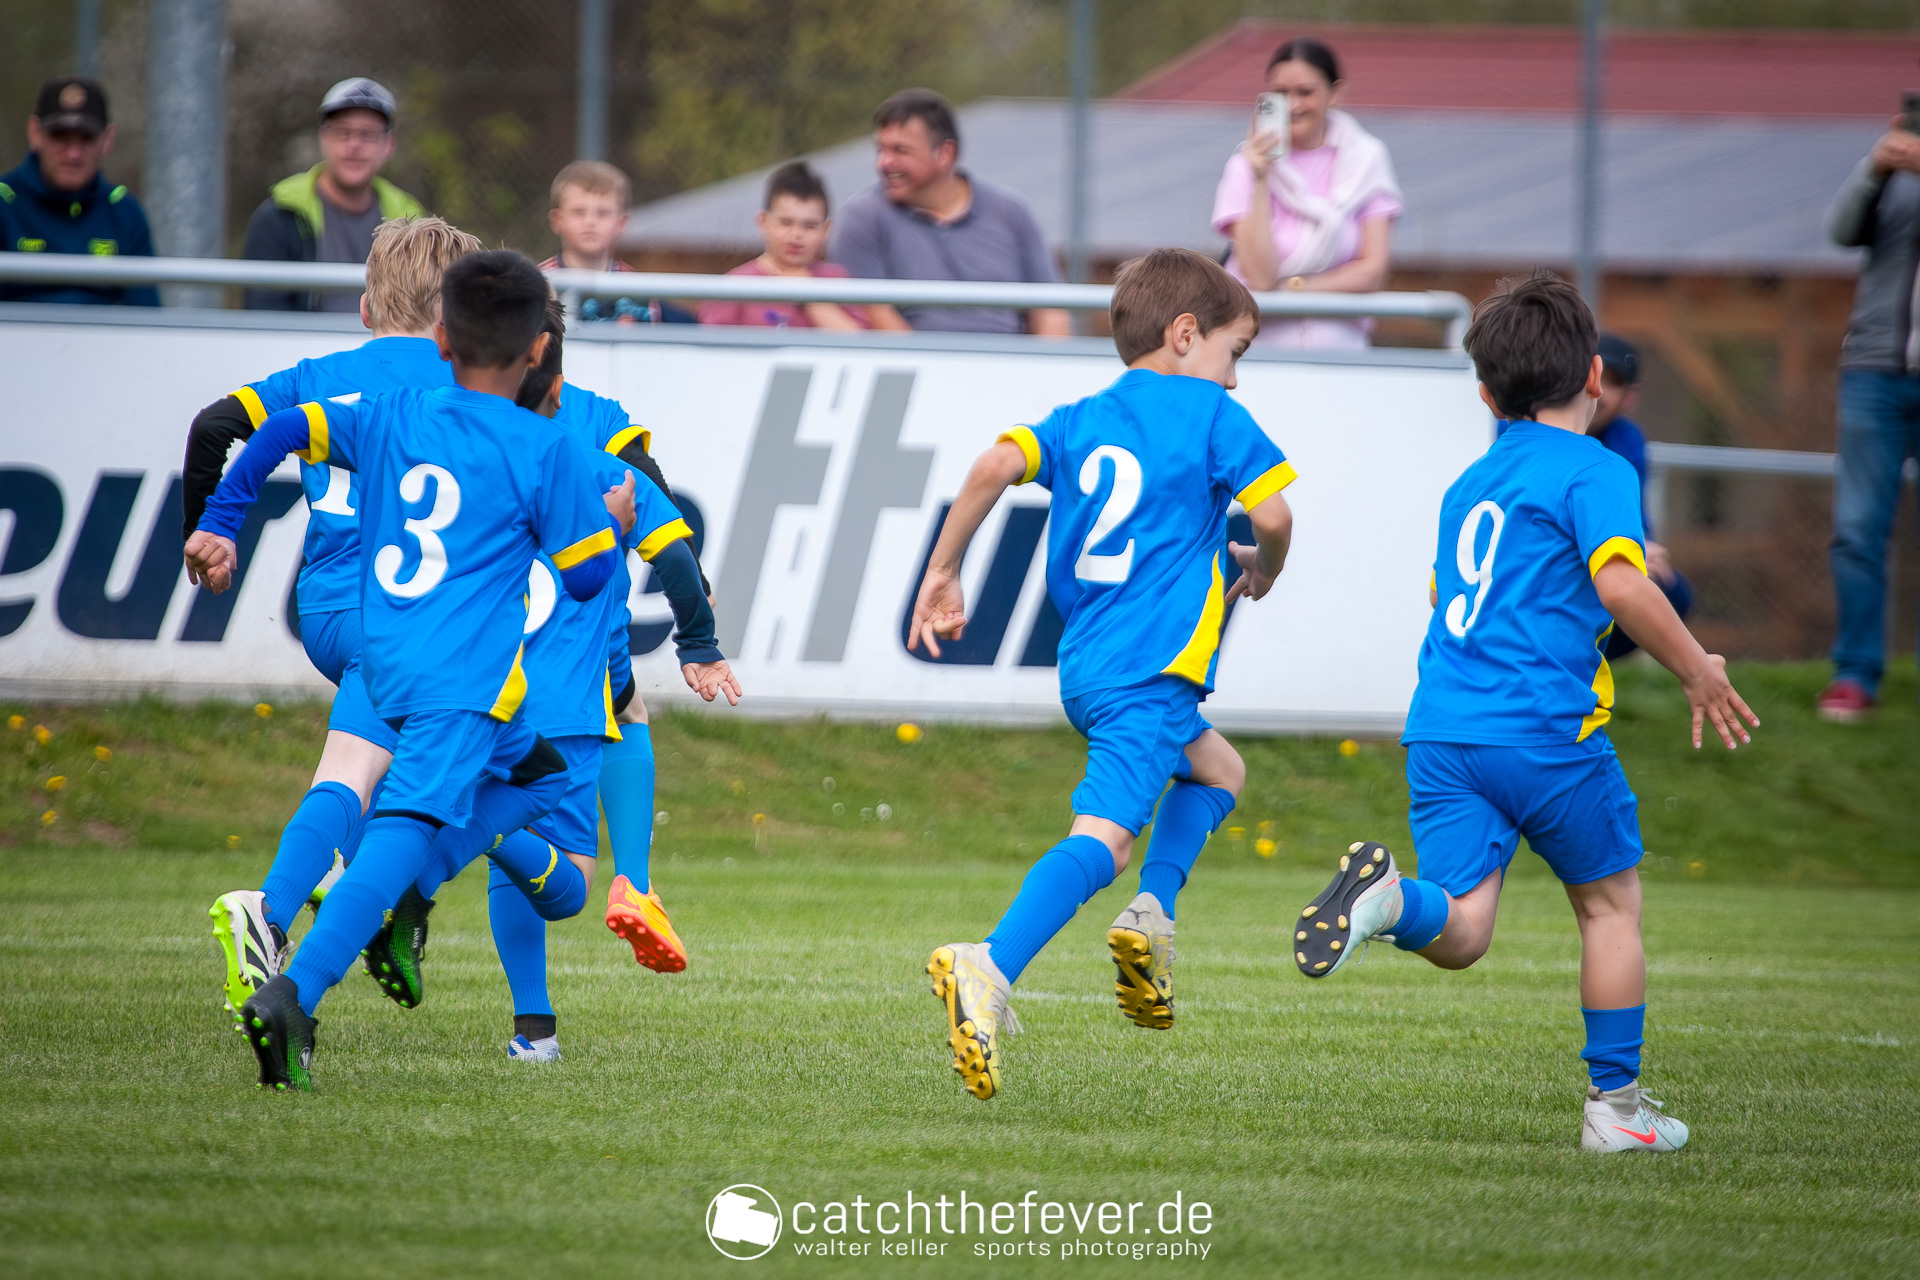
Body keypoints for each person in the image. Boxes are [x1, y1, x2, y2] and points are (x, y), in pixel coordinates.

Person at [1289, 272, 1759, 1153]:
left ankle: (1389, 901)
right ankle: (1616, 1113)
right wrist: (1697, 669)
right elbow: (1622, 583)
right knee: (1610, 908)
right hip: (1544, 731)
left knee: (1463, 927)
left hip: (1442, 728)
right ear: (1594, 374)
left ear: (1485, 393)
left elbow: (1445, 600)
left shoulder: (1470, 484)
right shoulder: (1597, 468)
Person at [185, 251, 632, 1090]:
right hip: (462, 682)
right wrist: (605, 523)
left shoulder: (393, 413)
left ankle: (406, 886)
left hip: (386, 659)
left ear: (442, 338)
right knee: (405, 829)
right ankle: (297, 993)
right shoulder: (546, 448)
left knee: (539, 775)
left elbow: (278, 431)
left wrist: (220, 518)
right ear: (539, 349)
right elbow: (587, 579)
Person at [909, 248, 1296, 1100]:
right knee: (1107, 839)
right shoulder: (1210, 413)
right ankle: (990, 964)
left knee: (1220, 770)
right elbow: (1273, 515)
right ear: (1186, 335)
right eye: (1234, 354)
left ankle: (1152, 917)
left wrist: (943, 569)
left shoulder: (1082, 417)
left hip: (1088, 665)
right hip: (1152, 672)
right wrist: (1264, 567)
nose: (1235, 378)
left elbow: (992, 466)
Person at [187, 217, 480, 1025]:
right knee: (400, 770)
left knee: (384, 764)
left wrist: (207, 529)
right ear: (457, 316)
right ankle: (278, 908)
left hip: (322, 608)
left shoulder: (318, 376)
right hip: (404, 611)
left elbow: (214, 426)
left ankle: (337, 879)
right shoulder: (464, 382)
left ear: (365, 307)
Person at [434, 296, 733, 1062]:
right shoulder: (593, 428)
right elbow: (659, 514)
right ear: (551, 366)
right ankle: (631, 882)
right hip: (571, 658)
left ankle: (533, 1024)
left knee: (619, 716)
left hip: (464, 664)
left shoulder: (444, 425)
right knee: (564, 873)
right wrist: (699, 637)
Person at [1497, 333, 1694, 659]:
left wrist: (1639, 548)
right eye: (1593, 376)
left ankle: (1581, 659)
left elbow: (1632, 524)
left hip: (1590, 558)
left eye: (1613, 381)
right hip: (1532, 558)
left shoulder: (1625, 442)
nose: (1598, 390)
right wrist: (1697, 670)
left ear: (1631, 397)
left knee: (1669, 590)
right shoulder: (1517, 435)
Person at [1819, 114, 1920, 722]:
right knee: (1857, 529)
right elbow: (1841, 232)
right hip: (1873, 370)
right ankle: (1854, 673)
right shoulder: (1893, 177)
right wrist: (1875, 168)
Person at [831, 88, 1069, 337]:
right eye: (881, 150)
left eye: (900, 150)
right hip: (915, 360)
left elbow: (1050, 310)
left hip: (1009, 359)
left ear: (946, 154)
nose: (883, 163)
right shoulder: (863, 217)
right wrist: (933, 360)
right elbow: (871, 313)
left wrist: (1046, 360)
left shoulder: (1012, 211)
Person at [1211, 37, 1401, 349]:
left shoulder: (1366, 161)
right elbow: (1261, 278)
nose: (1293, 105)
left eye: (1305, 92)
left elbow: (1372, 272)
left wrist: (1295, 288)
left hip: (1341, 348)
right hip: (1258, 344)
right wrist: (1260, 177)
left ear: (1335, 93)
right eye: (1281, 93)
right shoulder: (1244, 167)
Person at [240, 78, 426, 312]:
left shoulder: (413, 221)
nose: (355, 144)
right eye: (343, 132)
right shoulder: (279, 217)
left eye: (368, 134)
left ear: (389, 144)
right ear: (323, 137)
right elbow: (263, 315)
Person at [0, 76, 157, 307]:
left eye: (86, 138)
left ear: (107, 139)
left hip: (105, 332)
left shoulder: (125, 212)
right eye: (60, 136)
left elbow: (146, 316)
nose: (73, 153)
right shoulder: (4, 204)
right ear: (35, 133)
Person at [698, 161, 907, 330]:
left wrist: (809, 297)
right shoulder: (735, 287)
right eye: (785, 222)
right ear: (763, 222)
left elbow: (858, 347)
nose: (796, 235)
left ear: (826, 230)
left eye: (810, 226)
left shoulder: (838, 281)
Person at [539, 160, 695, 324]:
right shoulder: (536, 285)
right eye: (579, 212)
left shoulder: (639, 291)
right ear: (557, 220)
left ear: (622, 223)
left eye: (603, 213)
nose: (590, 221)